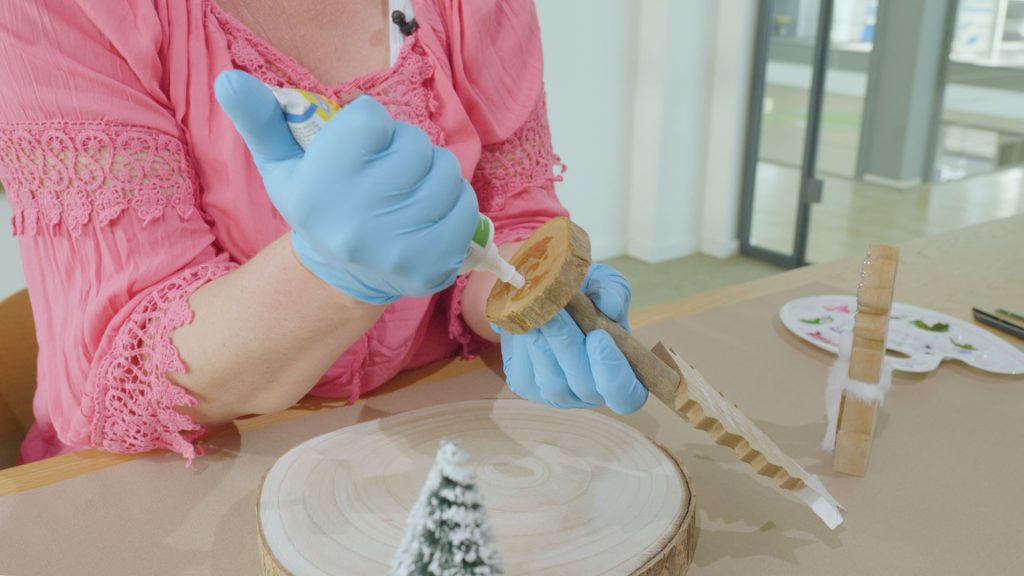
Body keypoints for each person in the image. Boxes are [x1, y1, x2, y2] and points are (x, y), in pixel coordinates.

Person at [0, 0, 646, 465]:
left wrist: (526, 298)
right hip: (182, 483)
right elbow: (120, 375)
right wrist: (329, 275)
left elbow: (511, 213)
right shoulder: (58, 13)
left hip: (428, 437)